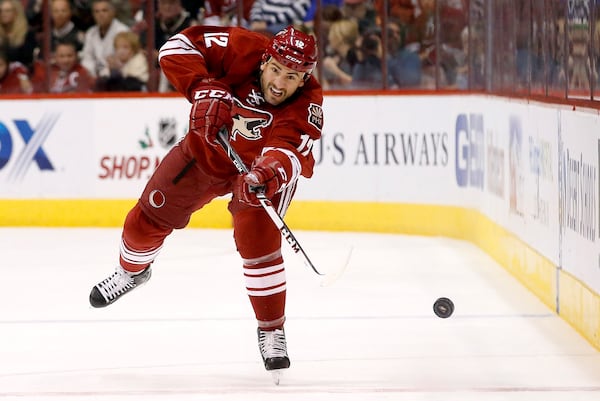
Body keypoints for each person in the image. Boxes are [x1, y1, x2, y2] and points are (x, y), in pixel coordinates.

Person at [88, 25, 323, 376]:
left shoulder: (307, 106)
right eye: (276, 70)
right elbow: (173, 49)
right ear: (264, 61)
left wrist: (267, 173)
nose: (279, 83)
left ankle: (272, 329)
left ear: (304, 79)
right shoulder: (241, 47)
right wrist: (202, 88)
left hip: (255, 175)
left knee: (259, 245)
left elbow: (289, 153)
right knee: (145, 220)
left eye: (292, 76)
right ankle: (131, 272)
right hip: (204, 155)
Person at [80, 0, 129, 79]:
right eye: (97, 11)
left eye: (104, 10)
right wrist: (91, 75)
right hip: (94, 78)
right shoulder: (91, 32)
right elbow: (87, 58)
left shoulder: (122, 31)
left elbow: (122, 62)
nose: (100, 14)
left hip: (117, 78)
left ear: (113, 13)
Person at [0, 0, 38, 71]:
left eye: (7, 11)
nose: (3, 14)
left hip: (21, 73)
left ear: (16, 12)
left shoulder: (27, 34)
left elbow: (28, 59)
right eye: (1, 11)